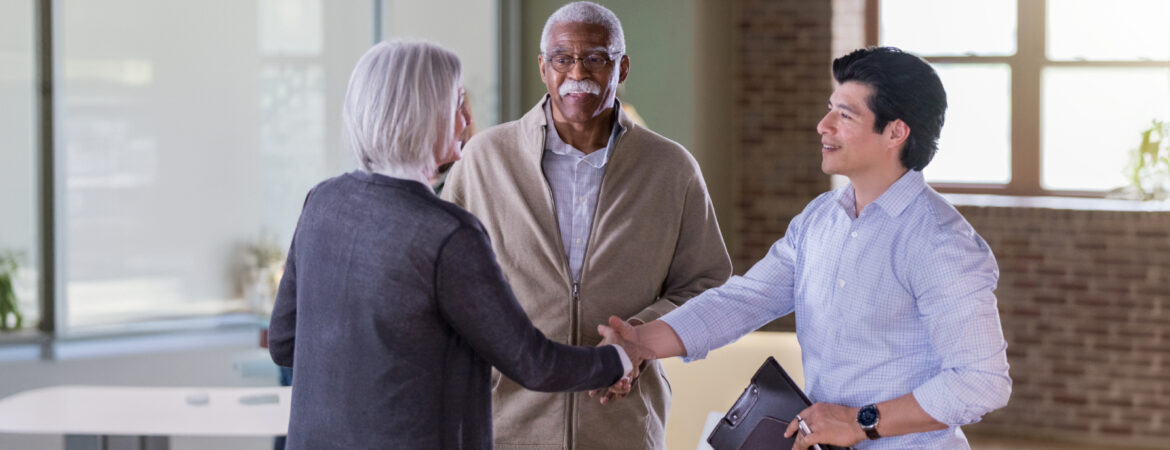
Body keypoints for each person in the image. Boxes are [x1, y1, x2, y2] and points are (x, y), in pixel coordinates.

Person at [602, 47, 1012, 449]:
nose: (823, 125)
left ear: (895, 132)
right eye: (830, 108)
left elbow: (981, 380)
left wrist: (859, 421)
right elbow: (745, 300)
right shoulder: (820, 219)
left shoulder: (941, 243)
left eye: (844, 115)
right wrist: (641, 343)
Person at [267, 39, 647, 450]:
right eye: (458, 101)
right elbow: (532, 363)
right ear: (421, 114)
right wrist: (622, 357)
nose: (468, 118)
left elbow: (285, 342)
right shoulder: (447, 235)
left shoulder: (322, 201)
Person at [441, 2, 731, 448]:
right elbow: (444, 280)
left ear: (623, 67)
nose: (578, 71)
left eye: (596, 58)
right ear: (544, 67)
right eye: (563, 58)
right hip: (506, 426)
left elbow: (708, 284)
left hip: (623, 425)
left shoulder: (672, 169)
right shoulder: (484, 159)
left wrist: (638, 340)